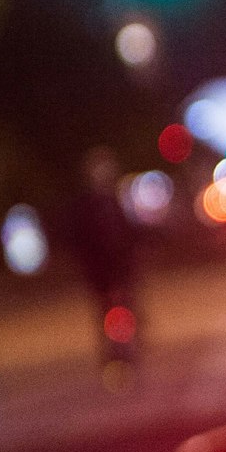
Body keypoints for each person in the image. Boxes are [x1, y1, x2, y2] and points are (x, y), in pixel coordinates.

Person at [64, 146, 142, 385]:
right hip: (101, 272)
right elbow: (82, 240)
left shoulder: (115, 199)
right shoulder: (87, 204)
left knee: (125, 313)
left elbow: (128, 234)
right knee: (107, 314)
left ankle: (126, 354)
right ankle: (114, 357)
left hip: (120, 269)